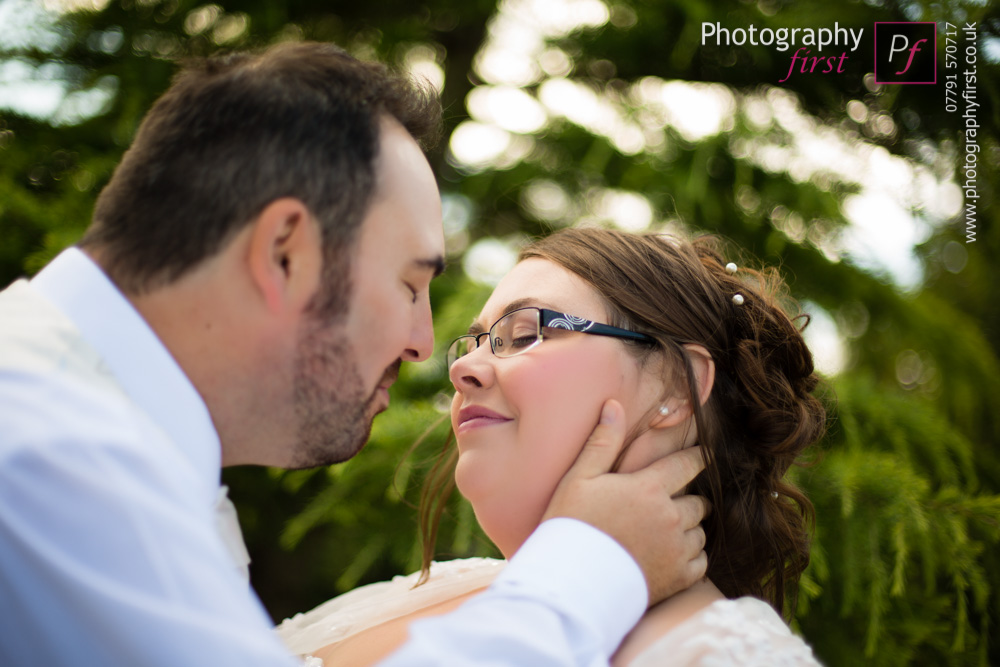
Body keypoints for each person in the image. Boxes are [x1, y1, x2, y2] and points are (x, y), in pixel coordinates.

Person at [0, 43, 711, 666]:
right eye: (409, 283)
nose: (427, 345)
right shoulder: (51, 450)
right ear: (285, 253)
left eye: (524, 332)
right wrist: (593, 563)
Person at [277, 227, 827, 665]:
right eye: (470, 343)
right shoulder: (450, 588)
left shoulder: (720, 657)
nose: (463, 367)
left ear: (678, 387)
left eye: (523, 333)